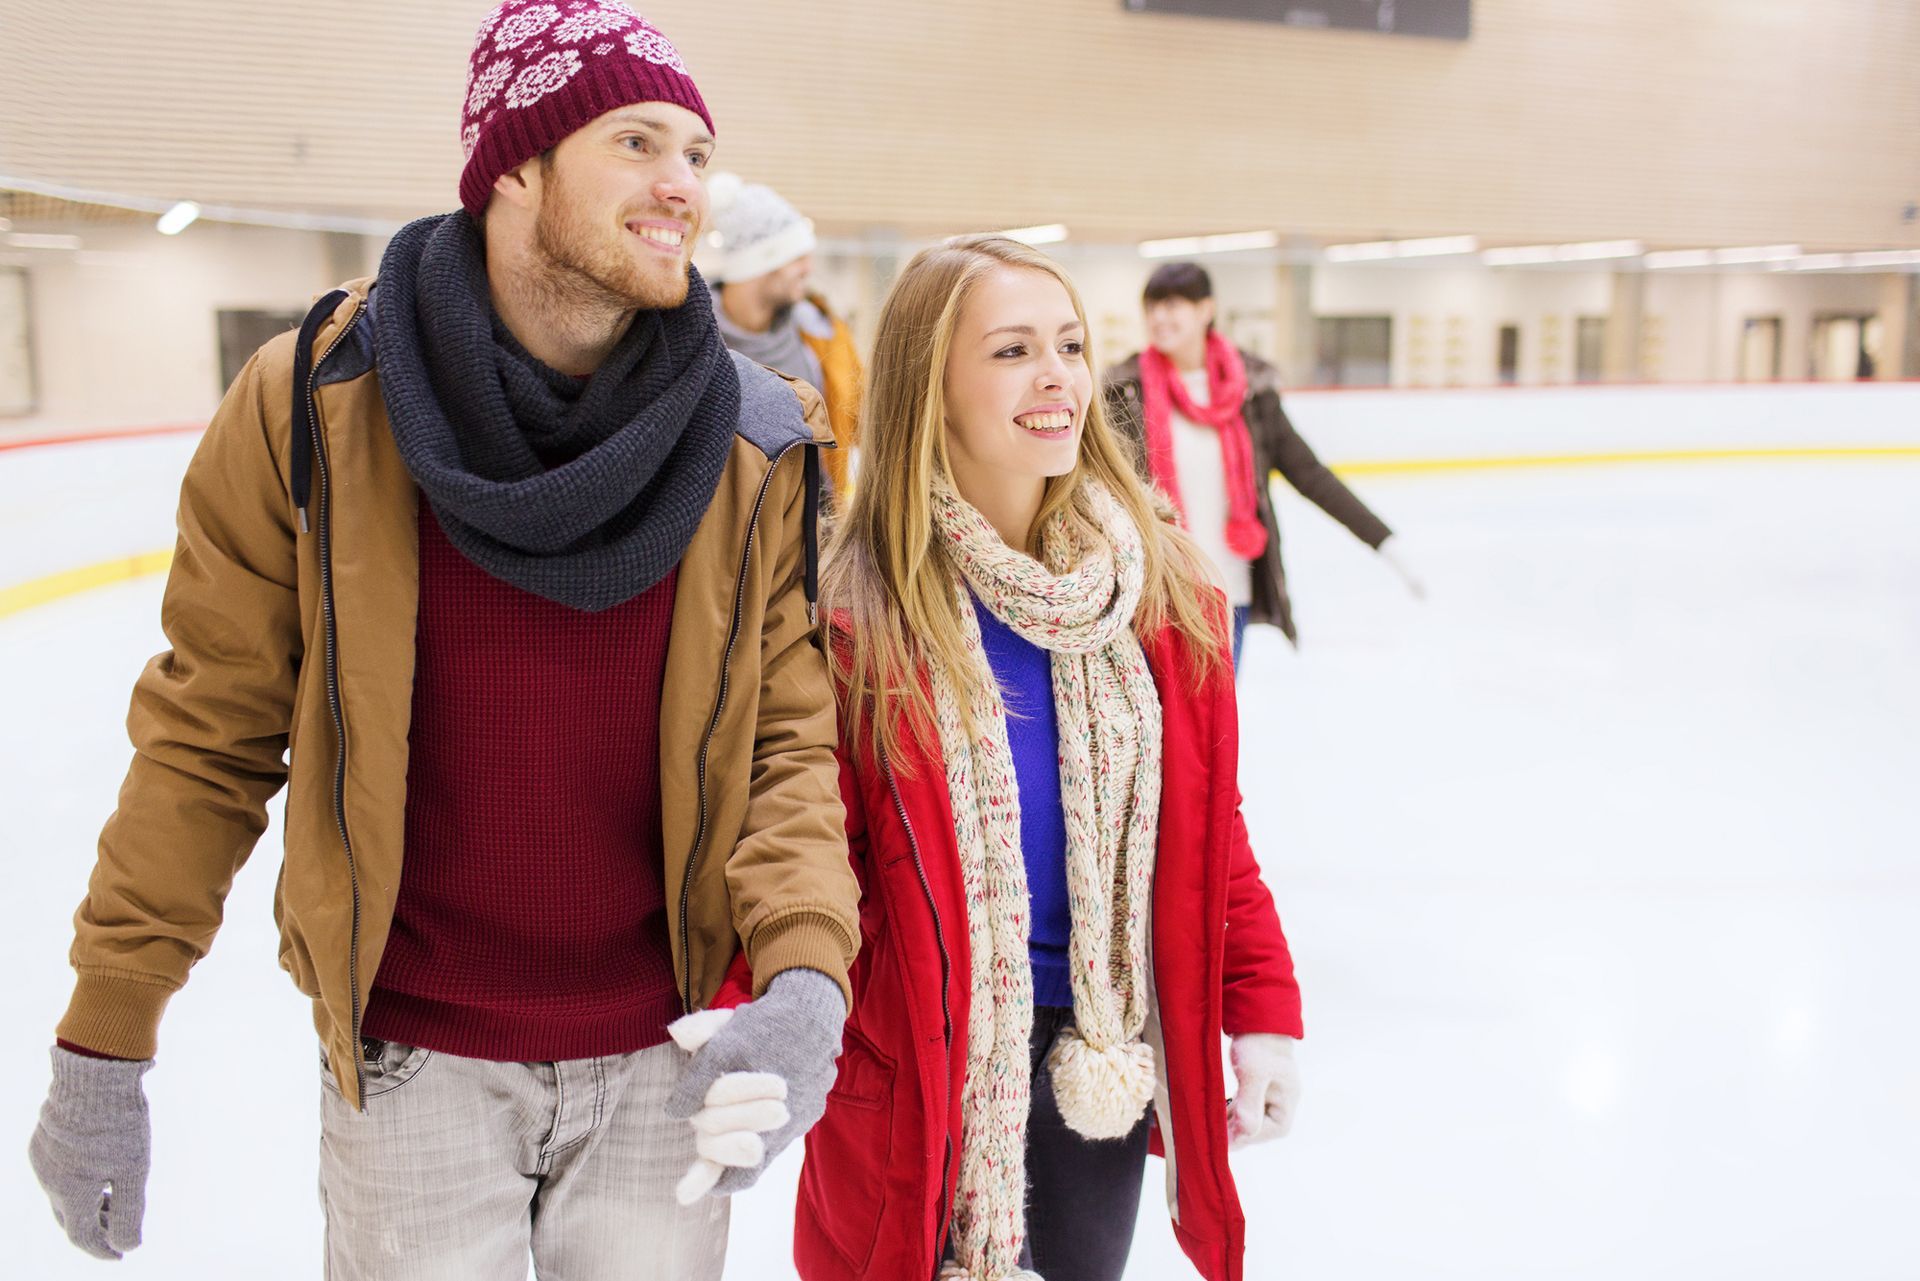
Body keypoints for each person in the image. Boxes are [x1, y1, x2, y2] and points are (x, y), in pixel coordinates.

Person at [27, 5, 858, 1277]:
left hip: (664, 1055)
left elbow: (788, 743)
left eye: (697, 152)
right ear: (512, 167)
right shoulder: (317, 399)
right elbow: (210, 733)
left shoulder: (755, 438)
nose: (684, 186)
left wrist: (805, 975)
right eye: (638, 142)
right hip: (411, 1061)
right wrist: (106, 1037)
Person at [801, 235, 1304, 1281]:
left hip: (1096, 1063)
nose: (1058, 378)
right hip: (917, 1065)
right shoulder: (857, 620)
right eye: (1013, 350)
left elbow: (1213, 833)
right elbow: (802, 860)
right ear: (927, 388)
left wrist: (1260, 1006)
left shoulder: (1156, 596)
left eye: (1071, 346)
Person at [1104, 261, 1422, 667]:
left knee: (1218, 727)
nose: (1158, 318)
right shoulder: (1124, 392)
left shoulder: (1253, 395)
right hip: (1156, 594)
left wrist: (1385, 541)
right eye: (1151, 307)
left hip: (1229, 590)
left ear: (1206, 309)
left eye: (1172, 305)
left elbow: (1309, 474)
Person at [701, 173, 862, 495]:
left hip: (817, 523)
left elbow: (860, 421)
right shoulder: (695, 340)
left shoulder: (822, 331)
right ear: (760, 262)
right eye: (797, 256)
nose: (808, 268)